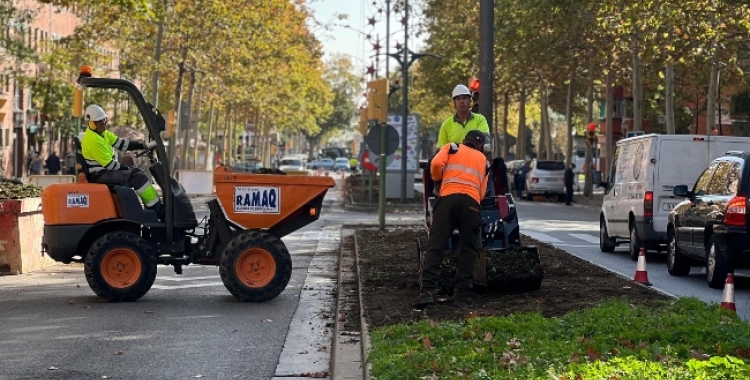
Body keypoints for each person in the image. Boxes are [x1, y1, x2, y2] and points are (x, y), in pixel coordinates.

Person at [415, 130, 490, 309]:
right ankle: (462, 295)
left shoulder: (452, 148)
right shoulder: (484, 161)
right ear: (480, 145)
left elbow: (435, 165)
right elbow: (483, 192)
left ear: (465, 141)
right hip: (471, 204)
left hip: (447, 200)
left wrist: (438, 180)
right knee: (468, 249)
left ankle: (428, 291)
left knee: (436, 245)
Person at [80, 104, 163, 219]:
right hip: (101, 175)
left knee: (137, 173)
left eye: (104, 120)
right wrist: (129, 170)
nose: (103, 123)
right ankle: (158, 211)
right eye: (99, 122)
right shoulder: (93, 140)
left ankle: (153, 208)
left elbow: (122, 144)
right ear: (91, 123)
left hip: (105, 172)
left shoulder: (102, 133)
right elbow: (110, 165)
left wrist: (143, 146)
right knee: (138, 177)